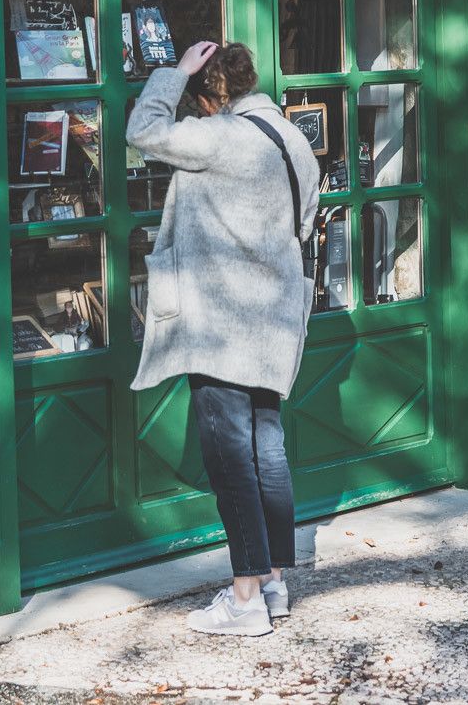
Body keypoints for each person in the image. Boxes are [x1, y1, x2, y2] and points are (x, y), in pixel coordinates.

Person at [126, 41, 320, 637]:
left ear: (211, 95)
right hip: (276, 317)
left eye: (199, 95)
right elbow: (307, 220)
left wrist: (172, 72)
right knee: (267, 447)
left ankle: (243, 600)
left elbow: (142, 130)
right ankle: (273, 583)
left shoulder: (215, 136)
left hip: (221, 324)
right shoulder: (293, 138)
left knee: (229, 456)